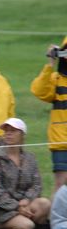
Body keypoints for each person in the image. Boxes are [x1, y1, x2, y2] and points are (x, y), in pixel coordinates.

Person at [0, 118, 51, 229]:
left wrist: (26, 200)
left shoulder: (30, 158)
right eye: (6, 131)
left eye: (13, 131)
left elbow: (36, 184)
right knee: (27, 226)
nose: (8, 134)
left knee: (44, 204)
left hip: (25, 204)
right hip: (2, 209)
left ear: (22, 135)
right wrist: (17, 206)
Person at [30, 36, 67, 196]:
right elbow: (39, 91)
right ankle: (56, 220)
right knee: (61, 184)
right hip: (61, 141)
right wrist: (49, 64)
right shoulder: (56, 79)